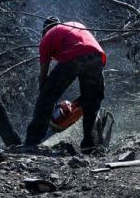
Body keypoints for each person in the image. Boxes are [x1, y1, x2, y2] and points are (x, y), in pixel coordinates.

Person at [24, 17, 106, 153]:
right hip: (96, 57)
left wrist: (44, 94)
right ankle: (89, 145)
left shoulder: (47, 37)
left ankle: (31, 141)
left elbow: (43, 73)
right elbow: (86, 47)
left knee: (46, 97)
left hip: (73, 57)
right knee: (92, 102)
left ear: (44, 31)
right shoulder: (76, 24)